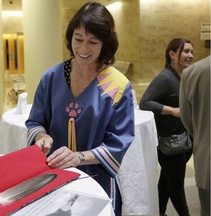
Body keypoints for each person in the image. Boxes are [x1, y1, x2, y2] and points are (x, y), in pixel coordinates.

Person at [25, 2, 135, 215]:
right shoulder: (51, 78)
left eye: (93, 42)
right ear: (70, 37)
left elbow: (119, 141)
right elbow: (35, 121)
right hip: (53, 175)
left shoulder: (117, 86)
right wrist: (41, 137)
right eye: (78, 39)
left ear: (105, 43)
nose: (83, 49)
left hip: (98, 180)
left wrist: (79, 157)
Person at [139, 38, 194, 216]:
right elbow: (145, 102)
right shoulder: (165, 78)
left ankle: (159, 212)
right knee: (176, 187)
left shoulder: (182, 75)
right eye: (185, 51)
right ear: (172, 54)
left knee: (166, 181)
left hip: (181, 140)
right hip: (169, 143)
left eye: (191, 52)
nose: (190, 55)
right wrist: (173, 111)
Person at [179, 55, 210, 216]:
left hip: (206, 155)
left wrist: (202, 134)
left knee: (207, 209)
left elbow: (187, 118)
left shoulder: (192, 72)